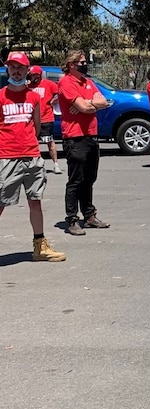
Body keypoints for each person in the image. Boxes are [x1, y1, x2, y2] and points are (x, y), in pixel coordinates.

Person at [0, 52, 65, 262]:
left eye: (20, 67)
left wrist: (29, 143)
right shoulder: (1, 96)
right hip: (6, 157)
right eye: (12, 67)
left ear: (28, 70)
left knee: (35, 201)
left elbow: (36, 126)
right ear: (7, 69)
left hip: (31, 155)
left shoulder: (34, 97)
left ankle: (40, 246)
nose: (16, 71)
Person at [57, 49, 110, 236]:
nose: (84, 64)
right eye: (81, 62)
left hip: (91, 135)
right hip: (74, 136)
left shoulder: (88, 82)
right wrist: (88, 104)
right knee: (76, 180)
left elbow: (103, 102)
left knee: (89, 178)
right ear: (71, 64)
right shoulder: (66, 81)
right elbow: (84, 108)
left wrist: (89, 104)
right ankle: (72, 219)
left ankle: (88, 215)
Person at [27, 65, 62, 174]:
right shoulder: (28, 86)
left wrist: (54, 101)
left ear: (38, 75)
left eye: (32, 75)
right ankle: (35, 165)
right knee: (32, 143)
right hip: (31, 120)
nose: (30, 77)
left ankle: (56, 164)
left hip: (46, 118)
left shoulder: (49, 84)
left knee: (49, 141)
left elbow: (60, 93)